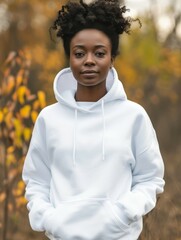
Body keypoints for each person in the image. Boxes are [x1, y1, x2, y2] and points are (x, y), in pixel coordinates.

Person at [22, 0, 165, 239]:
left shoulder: (134, 116)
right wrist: (50, 220)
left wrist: (122, 215)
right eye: (79, 53)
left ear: (112, 58)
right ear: (70, 57)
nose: (89, 60)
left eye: (99, 53)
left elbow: (150, 179)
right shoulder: (49, 119)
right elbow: (37, 181)